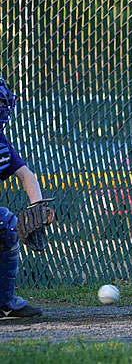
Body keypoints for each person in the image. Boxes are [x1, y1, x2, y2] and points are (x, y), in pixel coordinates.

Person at [1, 76, 45, 318]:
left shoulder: (0, 142)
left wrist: (37, 208)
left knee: (5, 225)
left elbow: (26, 176)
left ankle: (4, 303)